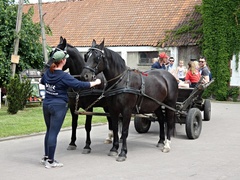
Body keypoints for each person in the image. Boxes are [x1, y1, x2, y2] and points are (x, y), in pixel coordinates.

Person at [40, 50, 101, 169]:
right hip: (58, 107)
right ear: (63, 61)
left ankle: (46, 157)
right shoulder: (64, 76)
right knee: (53, 133)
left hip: (46, 104)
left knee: (49, 131)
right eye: (65, 58)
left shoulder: (48, 73)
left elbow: (42, 81)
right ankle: (51, 161)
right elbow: (80, 85)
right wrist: (95, 82)